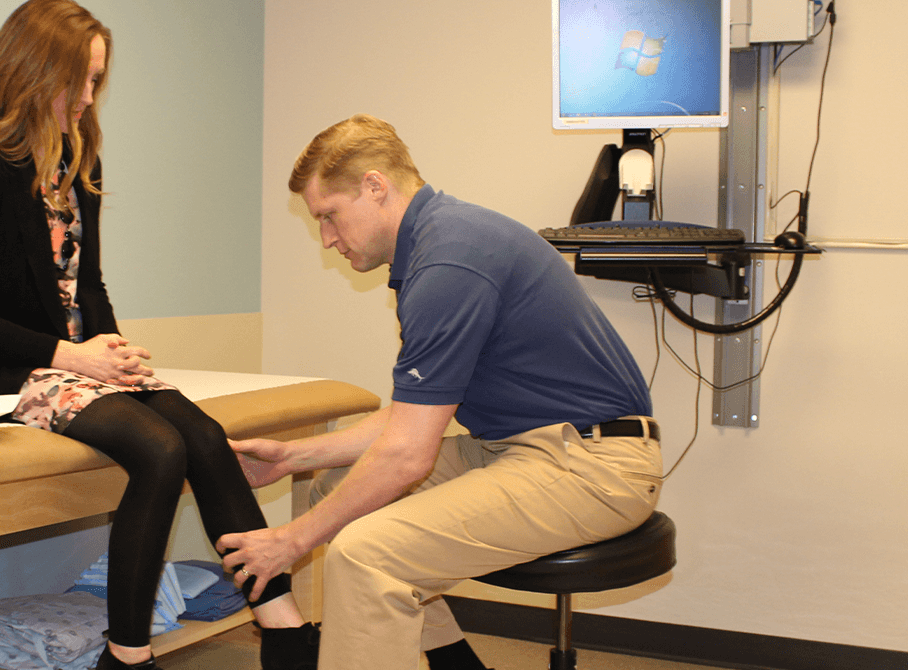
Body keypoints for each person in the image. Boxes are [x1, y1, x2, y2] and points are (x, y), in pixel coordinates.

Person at [0, 3, 317, 669]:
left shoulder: (80, 162)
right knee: (160, 450)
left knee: (204, 436)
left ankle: (284, 626)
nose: (86, 98)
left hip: (74, 363)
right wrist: (73, 355)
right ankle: (129, 654)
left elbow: (90, 284)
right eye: (76, 81)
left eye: (97, 83)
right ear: (30, 71)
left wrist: (115, 350)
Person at [215, 114, 664, 670]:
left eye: (329, 216)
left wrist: (290, 541)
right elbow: (416, 417)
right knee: (336, 493)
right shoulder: (441, 244)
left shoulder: (449, 261)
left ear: (375, 186)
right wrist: (293, 457)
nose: (327, 239)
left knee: (363, 555)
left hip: (593, 467)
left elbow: (407, 453)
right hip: (532, 449)